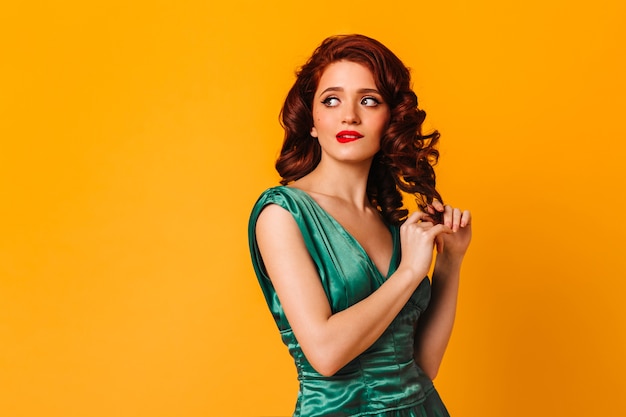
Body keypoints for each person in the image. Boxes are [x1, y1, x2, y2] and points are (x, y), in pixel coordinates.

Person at [248, 34, 472, 417]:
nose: (348, 115)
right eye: (331, 100)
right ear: (312, 122)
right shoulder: (282, 214)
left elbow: (422, 367)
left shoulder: (391, 223)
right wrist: (410, 272)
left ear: (390, 120)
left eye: (368, 100)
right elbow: (325, 354)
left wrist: (450, 261)